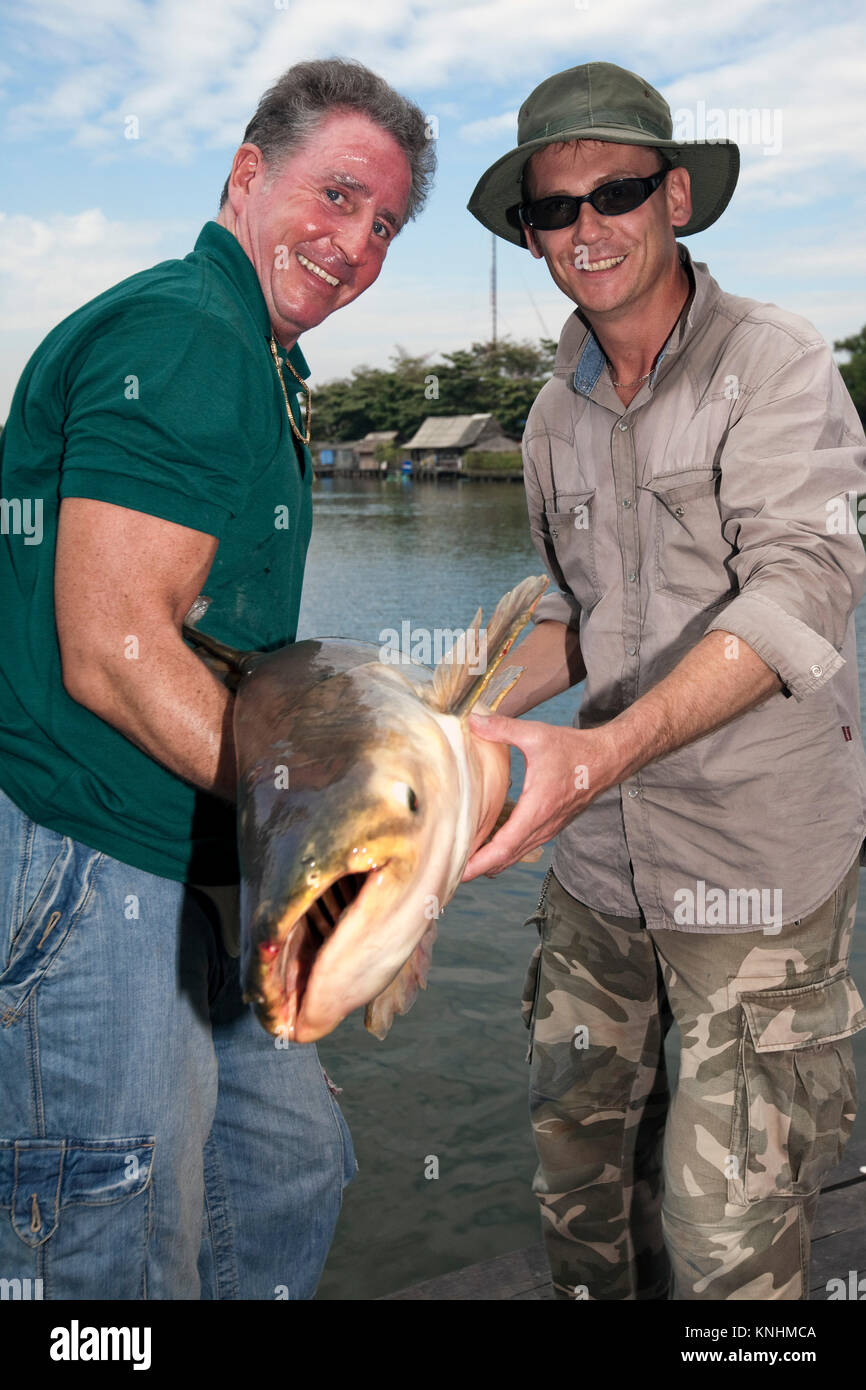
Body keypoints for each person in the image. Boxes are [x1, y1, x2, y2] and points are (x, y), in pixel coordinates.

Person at [0, 58, 434, 1300]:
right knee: (106, 1235)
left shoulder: (258, 356)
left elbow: (226, 652)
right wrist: (352, 849)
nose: (353, 244)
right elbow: (116, 651)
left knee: (287, 1166)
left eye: (383, 224)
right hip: (86, 855)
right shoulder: (189, 332)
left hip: (193, 850)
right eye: (335, 196)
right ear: (247, 176)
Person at [465, 60, 866, 1300]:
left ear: (675, 197)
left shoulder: (781, 362)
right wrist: (457, 723)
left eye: (616, 191)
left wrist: (599, 751)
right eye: (552, 209)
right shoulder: (548, 418)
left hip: (754, 868)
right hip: (595, 870)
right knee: (577, 1189)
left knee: (722, 1240)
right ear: (530, 236)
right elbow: (583, 620)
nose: (584, 228)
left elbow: (803, 586)